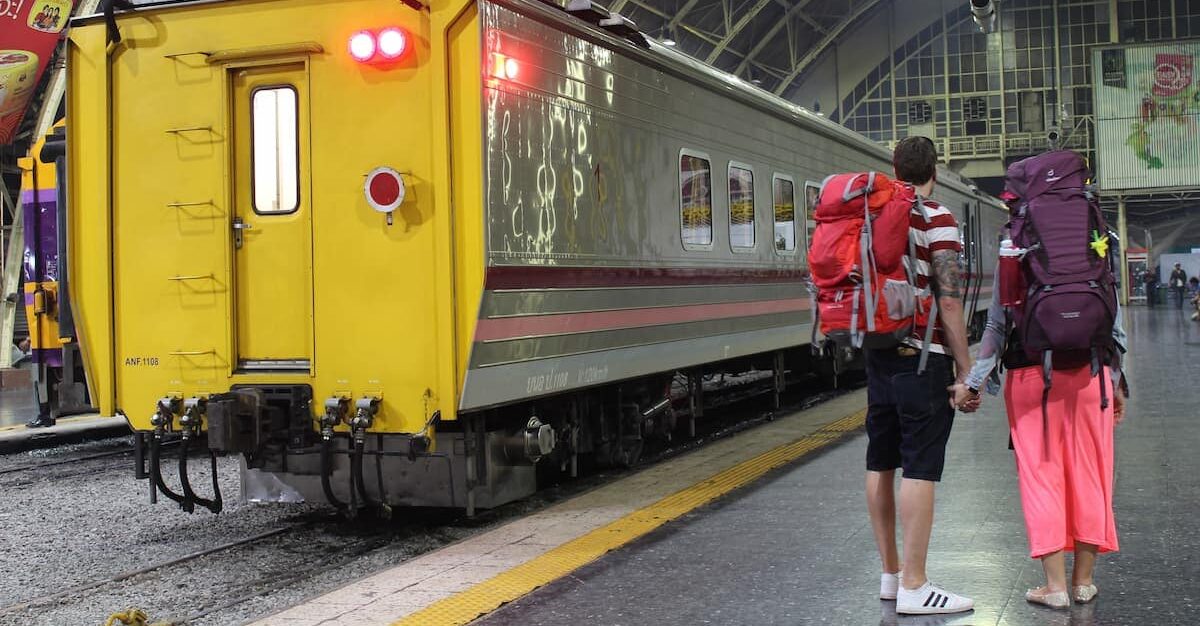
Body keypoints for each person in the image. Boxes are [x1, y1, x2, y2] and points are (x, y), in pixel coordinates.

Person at [962, 241, 1127, 610]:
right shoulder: (1097, 232)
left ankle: (1054, 587)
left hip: (1030, 375)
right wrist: (1116, 381)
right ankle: (1083, 582)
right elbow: (1114, 320)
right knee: (1091, 474)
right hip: (1092, 374)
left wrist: (975, 383)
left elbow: (996, 324)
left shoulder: (1012, 242)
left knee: (1041, 478)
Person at [864, 136, 974, 615]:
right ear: (934, 171)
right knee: (920, 467)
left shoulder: (868, 218)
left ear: (894, 168)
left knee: (879, 462)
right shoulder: (939, 218)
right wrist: (966, 367)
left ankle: (890, 575)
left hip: (877, 354)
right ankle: (915, 583)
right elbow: (948, 299)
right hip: (921, 357)